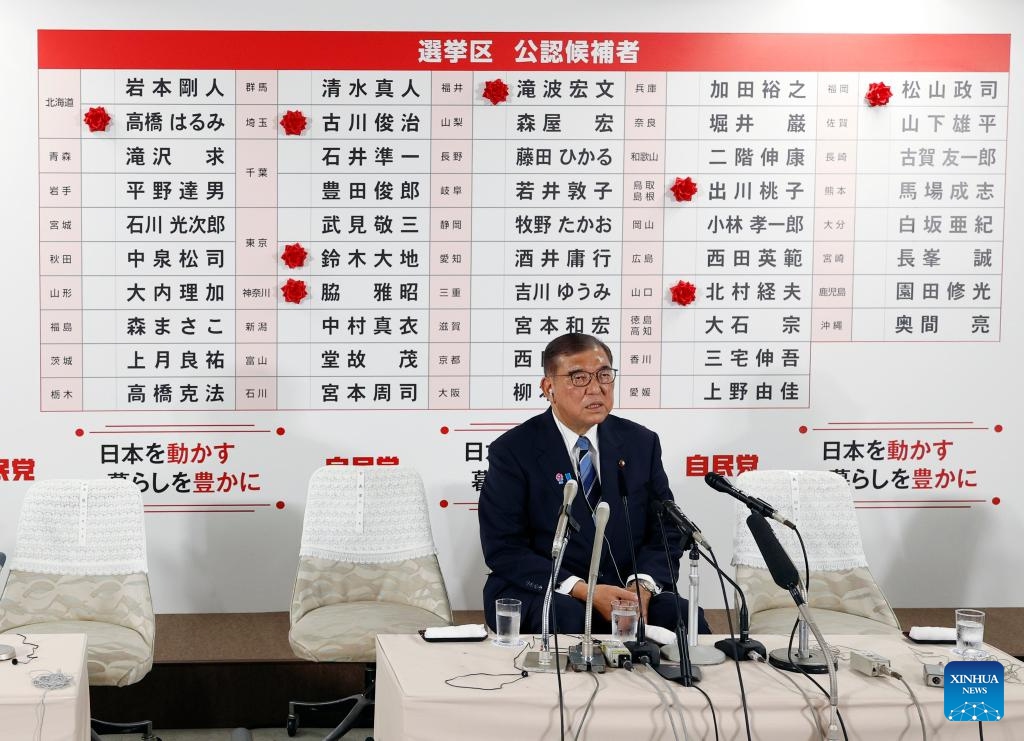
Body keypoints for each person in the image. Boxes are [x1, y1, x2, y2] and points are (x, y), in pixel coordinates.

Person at [478, 332, 710, 636]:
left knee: (682, 616)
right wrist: (583, 589)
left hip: (626, 587)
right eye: (578, 378)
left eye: (604, 375)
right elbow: (504, 548)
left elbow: (664, 531)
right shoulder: (513, 450)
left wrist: (641, 585)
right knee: (568, 617)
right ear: (549, 388)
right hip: (549, 589)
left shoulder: (641, 444)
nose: (596, 388)